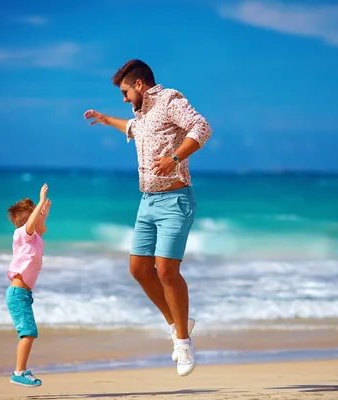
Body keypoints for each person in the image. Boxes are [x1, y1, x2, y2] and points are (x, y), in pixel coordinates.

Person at [84, 59, 212, 377]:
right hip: (147, 203)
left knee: (166, 270)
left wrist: (174, 157)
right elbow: (130, 128)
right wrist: (104, 119)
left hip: (175, 200)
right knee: (139, 269)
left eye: (126, 92)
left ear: (139, 85)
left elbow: (202, 128)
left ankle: (183, 342)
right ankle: (176, 322)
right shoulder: (139, 116)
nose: (124, 99)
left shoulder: (169, 100)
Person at [5, 183, 51, 387]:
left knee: (29, 332)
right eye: (39, 215)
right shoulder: (22, 235)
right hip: (17, 293)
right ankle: (19, 372)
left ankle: (20, 370)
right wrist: (40, 201)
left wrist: (44, 212)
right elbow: (31, 226)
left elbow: (37, 226)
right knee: (28, 333)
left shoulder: (35, 240)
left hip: (23, 294)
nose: (42, 216)